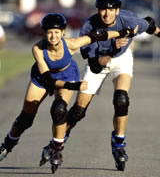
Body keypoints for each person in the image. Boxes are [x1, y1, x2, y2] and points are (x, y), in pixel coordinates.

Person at [0, 12, 132, 173]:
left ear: (63, 32)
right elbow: (48, 81)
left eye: (57, 32)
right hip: (44, 78)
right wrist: (74, 86)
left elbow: (99, 35)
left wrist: (121, 32)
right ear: (44, 33)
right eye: (49, 32)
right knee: (25, 119)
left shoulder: (72, 43)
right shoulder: (38, 49)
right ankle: (6, 145)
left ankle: (57, 147)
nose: (53, 36)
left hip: (67, 74)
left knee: (59, 109)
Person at [63, 0, 160, 171]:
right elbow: (95, 65)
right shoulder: (89, 27)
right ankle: (58, 140)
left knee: (121, 99)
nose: (107, 14)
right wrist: (112, 48)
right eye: (103, 10)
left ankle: (118, 143)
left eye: (111, 10)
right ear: (97, 10)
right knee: (78, 111)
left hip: (121, 59)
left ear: (118, 11)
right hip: (99, 61)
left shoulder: (129, 19)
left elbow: (148, 26)